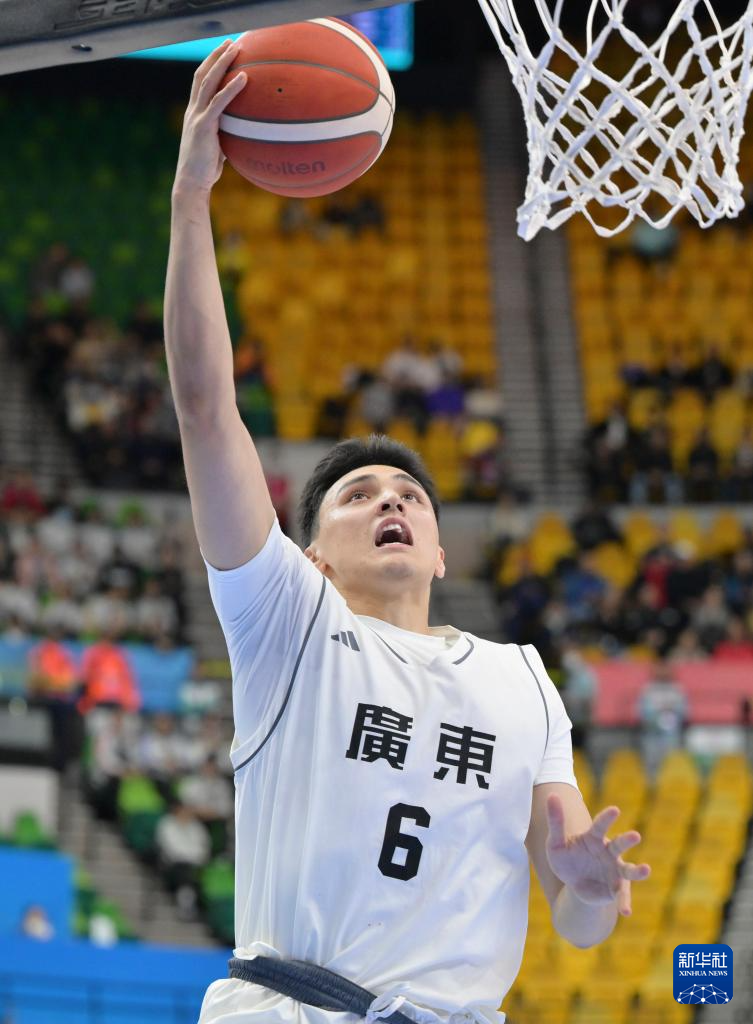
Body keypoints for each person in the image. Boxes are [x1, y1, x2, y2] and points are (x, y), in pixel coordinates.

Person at [166, 38, 652, 1024]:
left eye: (409, 496)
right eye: (357, 496)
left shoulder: (521, 680)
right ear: (310, 555)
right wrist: (190, 201)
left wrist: (589, 888)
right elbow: (207, 410)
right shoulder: (287, 622)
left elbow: (577, 917)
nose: (390, 502)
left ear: (438, 549)